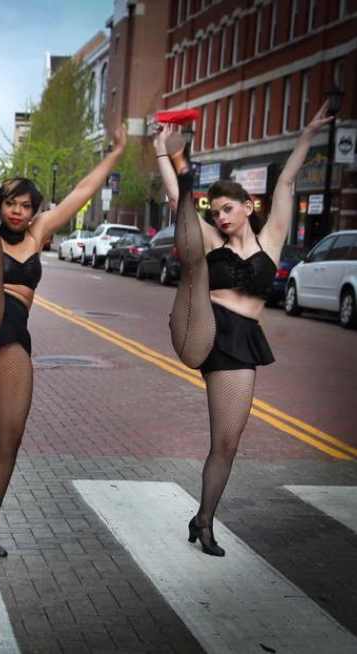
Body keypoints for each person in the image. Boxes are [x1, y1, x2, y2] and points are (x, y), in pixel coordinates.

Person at [0, 98, 125, 557]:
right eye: (10, 203)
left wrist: (116, 154)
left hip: (10, 336)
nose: (18, 212)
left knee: (11, 435)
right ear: (0, 204)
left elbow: (82, 193)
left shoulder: (40, 233)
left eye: (26, 206)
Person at [155, 102, 333, 557]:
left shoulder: (271, 237)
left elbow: (288, 181)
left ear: (248, 206)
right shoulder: (210, 239)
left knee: (227, 442)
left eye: (228, 209)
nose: (221, 218)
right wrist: (163, 155)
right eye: (215, 211)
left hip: (243, 339)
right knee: (226, 439)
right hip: (208, 328)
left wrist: (308, 135)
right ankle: (207, 523)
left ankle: (203, 519)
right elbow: (178, 202)